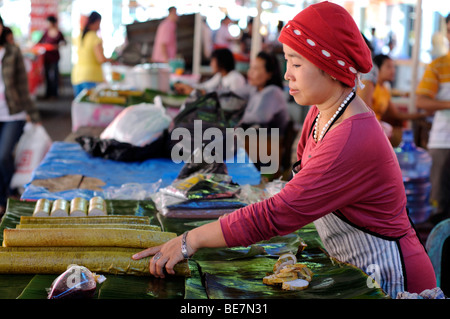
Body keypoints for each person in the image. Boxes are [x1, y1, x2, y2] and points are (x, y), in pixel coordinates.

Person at [133, 2, 436, 299]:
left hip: (391, 277)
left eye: (297, 63)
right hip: (351, 267)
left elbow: (278, 214)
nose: (287, 74)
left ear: (331, 67)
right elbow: (297, 187)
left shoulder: (351, 138)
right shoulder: (320, 113)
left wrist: (191, 239)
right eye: (287, 62)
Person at [0, 16, 41, 216]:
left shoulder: (13, 52)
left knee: (3, 155)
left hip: (12, 113)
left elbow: (23, 86)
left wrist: (32, 113)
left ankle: (6, 195)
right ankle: (4, 196)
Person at [415, 13, 450, 225]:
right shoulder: (438, 65)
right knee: (438, 204)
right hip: (443, 141)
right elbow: (421, 101)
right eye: (449, 31)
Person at [371, 54, 425, 140]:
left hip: (379, 128)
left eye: (393, 67)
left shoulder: (384, 89)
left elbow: (396, 114)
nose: (393, 71)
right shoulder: (371, 87)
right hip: (372, 129)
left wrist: (421, 115)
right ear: (377, 68)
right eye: (389, 67)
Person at [233, 51, 290, 134]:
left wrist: (234, 117)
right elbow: (234, 93)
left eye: (255, 69)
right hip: (256, 140)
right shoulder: (255, 89)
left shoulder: (273, 92)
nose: (250, 72)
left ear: (269, 74)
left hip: (269, 144)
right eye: (250, 68)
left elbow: (259, 117)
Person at [173, 48, 246, 97]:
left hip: (227, 117)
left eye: (213, 61)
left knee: (197, 116)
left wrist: (193, 90)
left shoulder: (236, 78)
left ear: (221, 62)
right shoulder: (220, 76)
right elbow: (205, 86)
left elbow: (234, 101)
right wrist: (187, 86)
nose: (211, 64)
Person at [71, 11, 111, 97]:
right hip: (91, 76)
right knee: (90, 107)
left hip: (77, 75)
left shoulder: (79, 36)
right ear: (97, 22)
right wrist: (112, 60)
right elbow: (101, 59)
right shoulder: (95, 38)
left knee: (80, 106)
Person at [38, 15, 67, 99]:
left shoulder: (59, 33)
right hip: (47, 57)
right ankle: (48, 93)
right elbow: (39, 42)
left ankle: (54, 94)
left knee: (54, 76)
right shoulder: (46, 32)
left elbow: (64, 43)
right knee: (47, 76)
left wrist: (57, 46)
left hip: (55, 57)